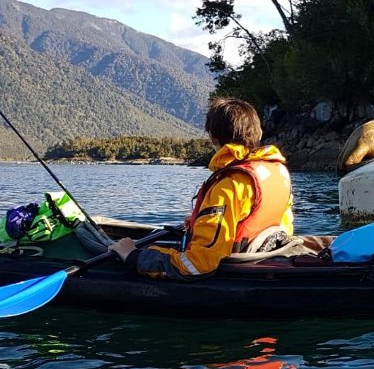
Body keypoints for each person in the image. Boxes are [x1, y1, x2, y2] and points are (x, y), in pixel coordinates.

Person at [108, 97, 294, 279]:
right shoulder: (278, 171)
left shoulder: (229, 185)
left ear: (213, 138)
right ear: (257, 134)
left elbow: (198, 265)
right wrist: (201, 223)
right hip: (267, 257)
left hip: (236, 271)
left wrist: (133, 256)